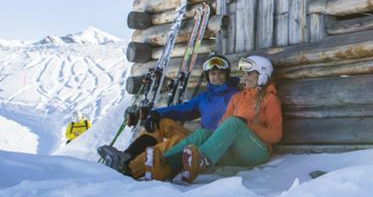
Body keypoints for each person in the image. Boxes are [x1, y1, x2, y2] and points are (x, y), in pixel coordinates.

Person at [145, 55, 283, 183]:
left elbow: (276, 135)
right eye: (244, 74)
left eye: (249, 73)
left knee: (233, 122)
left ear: (263, 75)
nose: (245, 78)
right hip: (236, 152)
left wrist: (248, 126)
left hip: (258, 151)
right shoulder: (238, 98)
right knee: (202, 133)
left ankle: (201, 160)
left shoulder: (270, 99)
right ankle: (164, 164)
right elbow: (223, 124)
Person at [98, 55, 239, 176]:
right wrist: (157, 113)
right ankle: (127, 156)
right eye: (213, 74)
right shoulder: (205, 97)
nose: (217, 77)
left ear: (227, 74)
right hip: (200, 139)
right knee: (162, 123)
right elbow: (185, 109)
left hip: (213, 146)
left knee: (177, 142)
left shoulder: (234, 95)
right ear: (208, 76)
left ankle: (131, 169)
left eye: (220, 73)